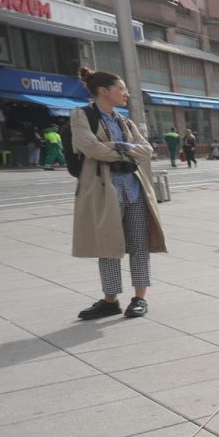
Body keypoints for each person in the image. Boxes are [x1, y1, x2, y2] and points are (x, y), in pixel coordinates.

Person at [71, 67, 168, 321]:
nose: (127, 93)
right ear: (104, 91)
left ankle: (139, 299)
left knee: (139, 245)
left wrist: (118, 145)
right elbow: (91, 148)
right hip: (105, 191)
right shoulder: (82, 115)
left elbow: (146, 150)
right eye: (122, 89)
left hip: (134, 189)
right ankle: (110, 300)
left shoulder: (124, 121)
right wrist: (127, 152)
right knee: (108, 246)